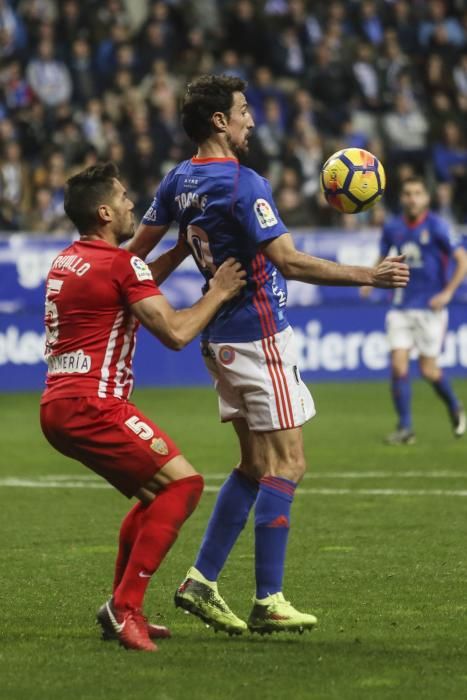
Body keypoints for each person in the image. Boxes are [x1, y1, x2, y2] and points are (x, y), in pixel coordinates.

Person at [128, 74, 409, 636]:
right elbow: (291, 262)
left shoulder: (177, 180)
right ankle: (269, 598)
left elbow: (133, 255)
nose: (251, 120)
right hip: (257, 334)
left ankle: (202, 582)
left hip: (219, 339)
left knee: (255, 465)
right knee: (289, 464)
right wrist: (368, 276)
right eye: (243, 110)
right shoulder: (242, 183)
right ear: (219, 122)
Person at [39, 162, 246, 652]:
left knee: (157, 495)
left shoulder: (69, 260)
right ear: (106, 212)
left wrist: (176, 249)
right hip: (95, 403)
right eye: (126, 196)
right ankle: (124, 607)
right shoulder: (120, 265)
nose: (134, 203)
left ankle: (120, 604)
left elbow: (125, 280)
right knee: (186, 486)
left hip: (59, 404)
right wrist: (217, 292)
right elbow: (174, 333)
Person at [362, 176, 467, 445]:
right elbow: (383, 255)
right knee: (398, 367)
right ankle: (405, 428)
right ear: (402, 198)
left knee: (429, 371)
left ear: (426, 198)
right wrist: (368, 278)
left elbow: (461, 260)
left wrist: (447, 293)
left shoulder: (438, 227)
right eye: (408, 193)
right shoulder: (393, 227)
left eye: (417, 193)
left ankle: (454, 405)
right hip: (399, 306)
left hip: (430, 307)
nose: (412, 198)